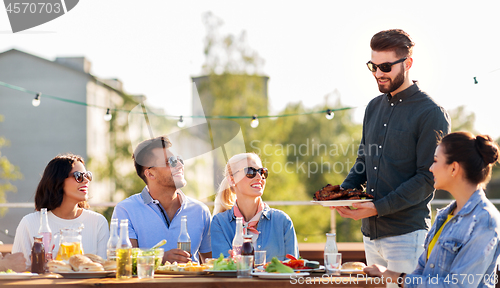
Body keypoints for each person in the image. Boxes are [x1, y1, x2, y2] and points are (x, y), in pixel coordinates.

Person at [336, 29, 451, 276]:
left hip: (407, 237)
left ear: (407, 63)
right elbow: (362, 163)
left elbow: (426, 178)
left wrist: (377, 207)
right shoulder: (372, 108)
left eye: (386, 67)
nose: (378, 74)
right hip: (369, 236)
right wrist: (341, 195)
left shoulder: (431, 113)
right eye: (373, 66)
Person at [364, 132, 500, 288]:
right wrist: (393, 276)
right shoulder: (444, 216)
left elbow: (457, 286)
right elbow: (421, 271)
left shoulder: (485, 221)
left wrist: (396, 276)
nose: (430, 168)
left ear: (453, 168)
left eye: (435, 161)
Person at [112, 136, 211, 264]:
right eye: (171, 162)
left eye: (179, 159)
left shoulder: (200, 211)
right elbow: (125, 260)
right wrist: (159, 258)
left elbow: (211, 263)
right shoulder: (125, 210)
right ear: (150, 174)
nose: (180, 165)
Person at [12, 154, 109, 268]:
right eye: (79, 176)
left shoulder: (98, 222)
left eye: (87, 175)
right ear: (58, 181)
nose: (86, 180)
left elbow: (103, 270)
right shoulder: (29, 222)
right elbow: (16, 270)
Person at [211, 153, 299, 261]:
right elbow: (221, 271)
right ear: (232, 180)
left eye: (262, 172)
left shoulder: (283, 222)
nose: (259, 177)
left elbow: (294, 269)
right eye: (250, 171)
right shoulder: (219, 223)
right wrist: (230, 262)